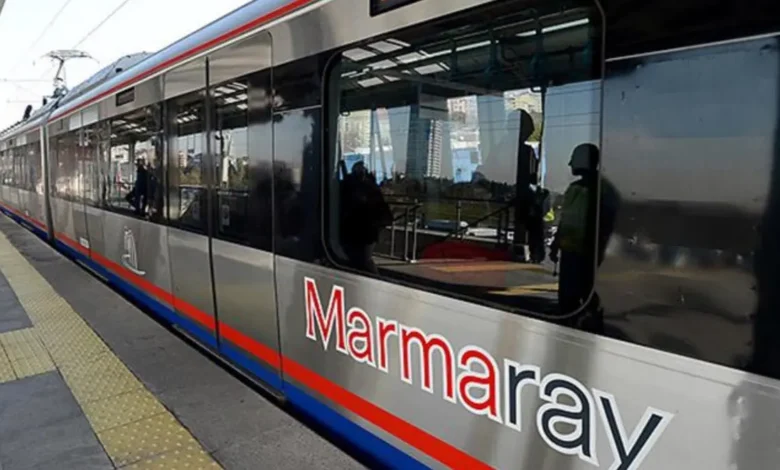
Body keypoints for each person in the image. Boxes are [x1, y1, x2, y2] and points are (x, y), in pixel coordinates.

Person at [549, 143, 619, 324]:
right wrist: (557, 244)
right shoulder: (589, 189)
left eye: (573, 159)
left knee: (577, 296)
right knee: (573, 297)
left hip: (583, 254)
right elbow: (566, 220)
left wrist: (557, 244)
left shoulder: (595, 191)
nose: (570, 164)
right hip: (574, 252)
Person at [339, 161, 393, 274]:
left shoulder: (356, 187)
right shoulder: (370, 187)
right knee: (362, 260)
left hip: (361, 230)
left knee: (362, 260)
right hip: (365, 231)